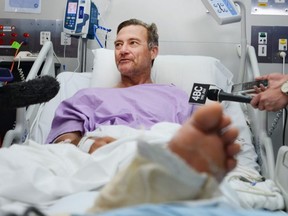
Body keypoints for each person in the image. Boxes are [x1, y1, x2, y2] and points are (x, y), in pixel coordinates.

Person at [45, 18, 192, 153]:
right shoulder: (88, 97)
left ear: (153, 52)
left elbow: (199, 140)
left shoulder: (176, 96)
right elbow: (63, 142)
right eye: (118, 45)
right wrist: (87, 145)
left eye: (133, 43)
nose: (123, 50)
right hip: (102, 160)